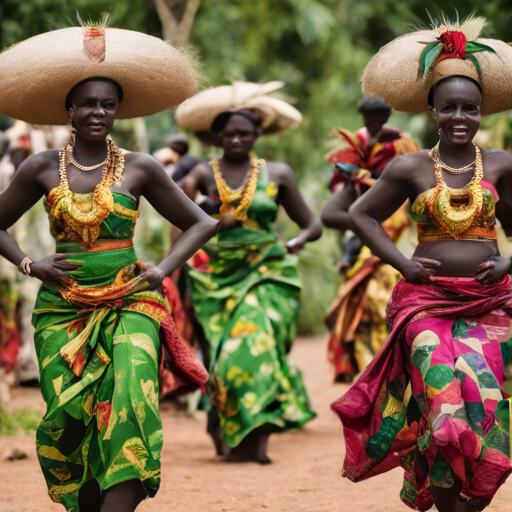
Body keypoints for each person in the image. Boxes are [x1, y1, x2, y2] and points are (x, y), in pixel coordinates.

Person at [0, 22, 218, 512]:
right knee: (70, 417)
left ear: (118, 110)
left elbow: (202, 223)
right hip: (61, 309)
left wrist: (162, 270)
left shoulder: (141, 167)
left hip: (130, 300)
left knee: (131, 399)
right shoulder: (38, 166)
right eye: (88, 103)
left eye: (108, 104)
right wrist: (31, 265)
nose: (98, 112)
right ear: (69, 110)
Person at [331, 17, 512, 512]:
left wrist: (509, 260)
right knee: (443, 401)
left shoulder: (499, 165)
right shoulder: (410, 167)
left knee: (485, 406)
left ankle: (469, 498)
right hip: (425, 307)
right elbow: (359, 215)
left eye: (469, 109)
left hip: (490, 305)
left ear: (481, 113)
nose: (459, 117)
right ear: (432, 111)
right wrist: (402, 266)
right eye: (448, 107)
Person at [182, 108, 322, 463]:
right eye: (228, 133)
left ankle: (258, 438)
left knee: (255, 341)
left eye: (244, 133)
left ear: (257, 135)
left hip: (268, 272)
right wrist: (178, 267)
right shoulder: (200, 173)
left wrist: (296, 242)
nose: (236, 139)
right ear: (216, 138)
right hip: (216, 276)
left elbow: (312, 225)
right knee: (221, 355)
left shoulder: (278, 174)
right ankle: (222, 421)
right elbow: (181, 221)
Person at [322, 98, 419, 382]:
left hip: (407, 257)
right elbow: (330, 214)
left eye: (380, 118)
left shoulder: (404, 149)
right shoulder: (361, 169)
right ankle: (375, 382)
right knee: (368, 313)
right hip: (371, 255)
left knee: (396, 316)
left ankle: (398, 378)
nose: (374, 123)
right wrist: (366, 223)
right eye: (369, 118)